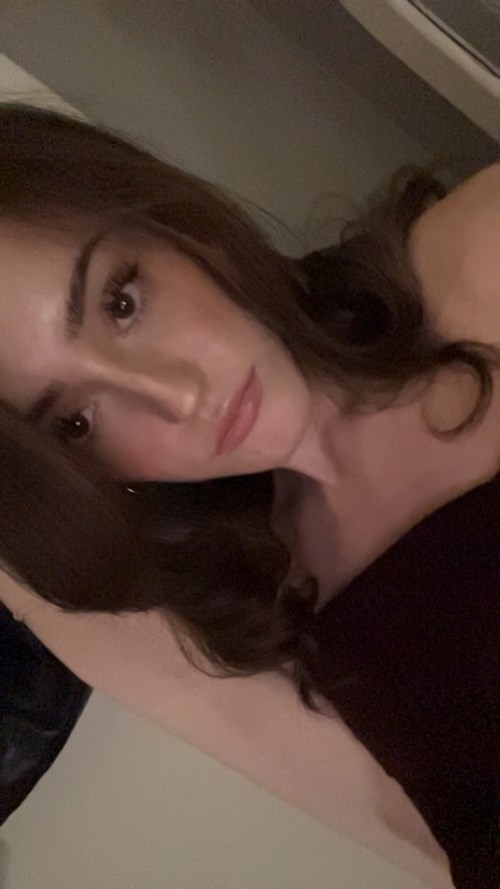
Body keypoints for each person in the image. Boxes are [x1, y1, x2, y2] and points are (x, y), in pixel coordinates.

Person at [0, 103, 497, 886]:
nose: (177, 395)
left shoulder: (480, 259)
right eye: (77, 420)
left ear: (177, 228)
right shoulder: (260, 606)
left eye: (122, 302)